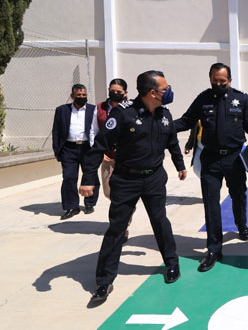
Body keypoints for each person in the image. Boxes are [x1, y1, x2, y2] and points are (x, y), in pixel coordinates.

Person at [79, 70, 187, 301]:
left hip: (155, 178)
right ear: (152, 93)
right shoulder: (122, 115)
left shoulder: (164, 115)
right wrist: (88, 178)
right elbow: (99, 145)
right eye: (164, 89)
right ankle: (104, 282)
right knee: (117, 228)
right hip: (127, 180)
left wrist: (180, 164)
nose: (168, 92)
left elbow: (172, 141)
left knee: (160, 220)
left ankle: (171, 263)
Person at [173, 63, 248, 272]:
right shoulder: (203, 98)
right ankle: (214, 249)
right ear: (210, 78)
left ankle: (241, 224)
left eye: (223, 81)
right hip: (210, 160)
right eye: (215, 80)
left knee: (238, 195)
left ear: (229, 80)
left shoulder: (241, 99)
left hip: (234, 159)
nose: (219, 84)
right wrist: (164, 125)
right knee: (211, 204)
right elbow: (186, 120)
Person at [52, 84, 100, 220]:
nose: (81, 97)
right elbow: (56, 130)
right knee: (68, 177)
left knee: (90, 176)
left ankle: (90, 203)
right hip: (68, 149)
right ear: (72, 96)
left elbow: (98, 129)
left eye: (84, 95)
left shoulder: (93, 109)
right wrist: (56, 150)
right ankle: (72, 206)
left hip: (88, 148)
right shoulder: (62, 110)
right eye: (79, 95)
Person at [96, 78, 135, 242]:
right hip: (107, 157)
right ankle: (126, 209)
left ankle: (123, 226)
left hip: (126, 159)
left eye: (119, 92)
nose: (115, 94)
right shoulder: (99, 109)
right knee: (108, 192)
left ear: (125, 93)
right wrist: (99, 152)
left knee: (122, 195)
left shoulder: (132, 108)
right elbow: (93, 132)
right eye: (113, 90)